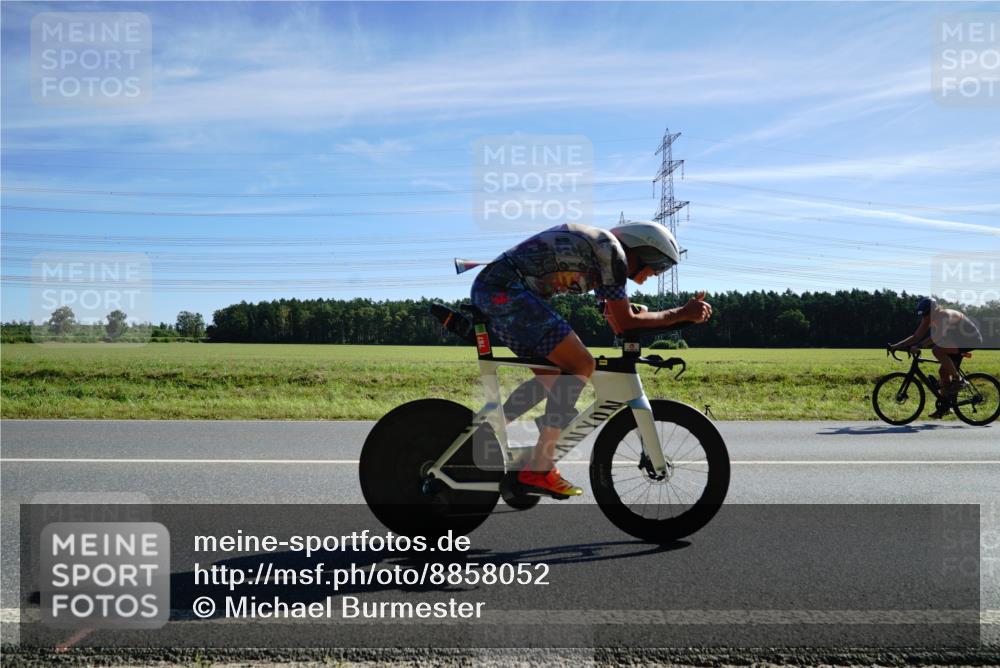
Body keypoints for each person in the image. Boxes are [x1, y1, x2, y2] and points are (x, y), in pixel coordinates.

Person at [470, 221, 712, 497]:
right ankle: (539, 468)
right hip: (505, 292)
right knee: (582, 364)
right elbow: (626, 322)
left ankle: (485, 432)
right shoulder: (612, 253)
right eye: (658, 264)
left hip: (495, 291)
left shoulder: (602, 255)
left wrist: (660, 316)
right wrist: (680, 313)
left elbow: (618, 321)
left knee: (557, 378)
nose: (656, 273)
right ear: (641, 251)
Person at [890, 297, 983, 418]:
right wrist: (897, 346)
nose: (925, 317)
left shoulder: (944, 315)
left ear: (934, 310)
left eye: (927, 314)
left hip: (970, 340)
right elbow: (916, 336)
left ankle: (959, 380)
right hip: (956, 340)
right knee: (943, 373)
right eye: (923, 315)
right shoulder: (928, 318)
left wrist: (919, 346)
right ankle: (945, 408)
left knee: (937, 350)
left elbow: (937, 337)